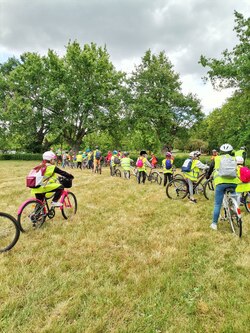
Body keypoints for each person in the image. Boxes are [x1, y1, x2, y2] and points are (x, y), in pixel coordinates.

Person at [206, 144, 238, 231]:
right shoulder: (234, 159)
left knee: (217, 204)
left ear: (220, 152)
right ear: (231, 151)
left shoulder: (217, 158)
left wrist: (207, 176)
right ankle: (235, 209)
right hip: (233, 182)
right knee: (234, 196)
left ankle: (214, 224)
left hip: (220, 183)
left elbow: (210, 168)